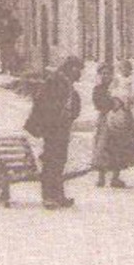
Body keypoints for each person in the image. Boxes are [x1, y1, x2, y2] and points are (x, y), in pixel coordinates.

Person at [25, 56, 82, 209]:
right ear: (70, 68)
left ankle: (58, 195)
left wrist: (71, 113)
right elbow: (43, 102)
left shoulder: (66, 82)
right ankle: (48, 197)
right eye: (78, 69)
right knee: (51, 160)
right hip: (52, 128)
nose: (80, 73)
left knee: (60, 160)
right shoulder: (55, 81)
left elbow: (73, 103)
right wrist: (56, 116)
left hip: (62, 127)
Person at [91, 63, 134, 187]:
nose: (105, 76)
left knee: (119, 147)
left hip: (120, 120)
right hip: (105, 120)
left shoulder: (118, 85)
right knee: (102, 147)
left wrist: (121, 104)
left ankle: (115, 177)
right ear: (99, 75)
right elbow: (98, 104)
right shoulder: (98, 88)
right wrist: (112, 104)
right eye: (102, 73)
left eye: (107, 73)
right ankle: (101, 177)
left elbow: (129, 99)